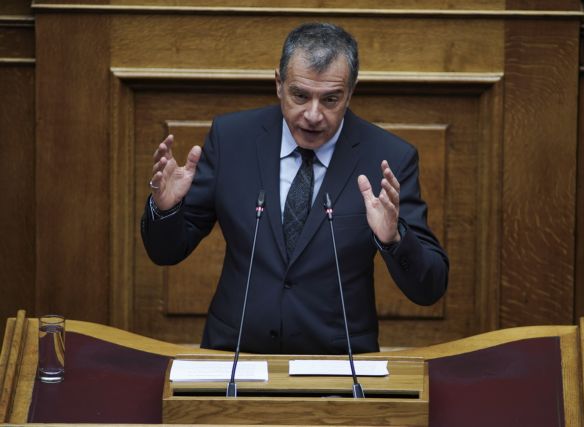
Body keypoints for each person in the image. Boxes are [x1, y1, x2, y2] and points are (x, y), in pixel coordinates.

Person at [141, 22, 448, 354]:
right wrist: (166, 209)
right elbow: (165, 252)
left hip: (337, 364)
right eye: (300, 95)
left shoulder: (388, 159)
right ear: (279, 84)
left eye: (330, 99)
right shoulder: (231, 140)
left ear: (350, 92)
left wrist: (394, 240)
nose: (313, 115)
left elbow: (430, 288)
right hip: (236, 354)